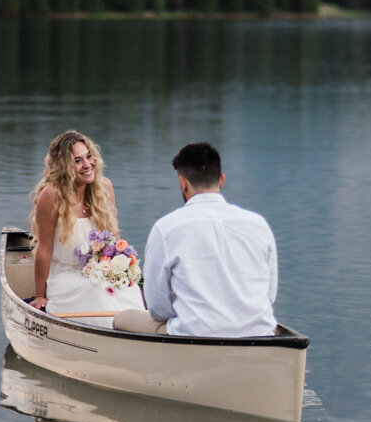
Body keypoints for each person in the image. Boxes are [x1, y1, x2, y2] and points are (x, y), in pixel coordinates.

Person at [114, 141, 278, 337]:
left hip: (194, 333)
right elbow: (269, 294)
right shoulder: (258, 224)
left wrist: (186, 308)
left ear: (183, 183)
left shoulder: (166, 228)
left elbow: (157, 308)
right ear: (222, 180)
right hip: (259, 332)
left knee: (121, 319)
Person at [29, 129, 142, 320]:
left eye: (89, 157)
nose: (87, 164)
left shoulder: (104, 187)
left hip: (99, 272)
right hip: (65, 275)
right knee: (95, 291)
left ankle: (137, 337)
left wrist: (122, 267)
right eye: (78, 161)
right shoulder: (51, 196)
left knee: (130, 290)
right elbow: (44, 249)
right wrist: (40, 295)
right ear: (64, 166)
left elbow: (114, 239)